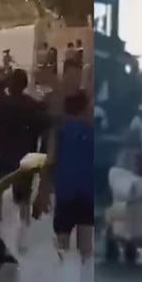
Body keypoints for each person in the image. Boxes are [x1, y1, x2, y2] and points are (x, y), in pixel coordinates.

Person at [0, 69, 48, 234]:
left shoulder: (1, 104)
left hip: (3, 156)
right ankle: (24, 237)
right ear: (25, 85)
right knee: (24, 200)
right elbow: (44, 131)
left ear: (10, 85)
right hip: (26, 158)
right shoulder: (34, 106)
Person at [51, 59, 94, 262]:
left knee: (72, 246)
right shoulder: (91, 131)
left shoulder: (63, 127)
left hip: (74, 187)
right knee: (76, 246)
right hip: (77, 188)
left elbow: (51, 157)